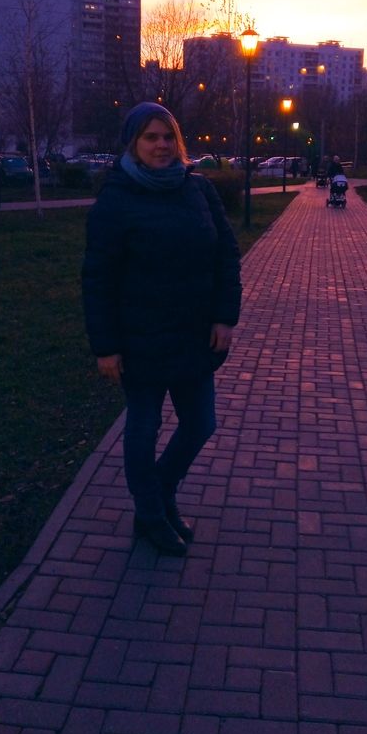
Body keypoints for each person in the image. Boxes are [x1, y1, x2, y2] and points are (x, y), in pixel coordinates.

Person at [82, 102, 241, 557]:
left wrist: (224, 317)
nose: (161, 145)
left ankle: (160, 494)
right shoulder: (116, 198)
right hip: (140, 340)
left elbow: (226, 255)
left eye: (168, 136)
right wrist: (106, 347)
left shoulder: (198, 189)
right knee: (143, 429)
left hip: (194, 333)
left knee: (201, 424)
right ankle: (151, 515)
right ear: (133, 143)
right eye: (151, 137)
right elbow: (98, 278)